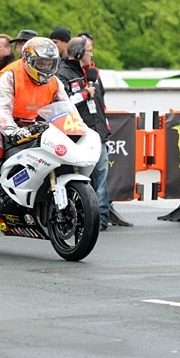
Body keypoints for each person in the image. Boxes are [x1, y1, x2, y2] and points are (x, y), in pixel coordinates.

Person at [0, 36, 68, 207]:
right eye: (40, 63)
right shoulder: (11, 75)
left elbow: (65, 107)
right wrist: (11, 130)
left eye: (49, 63)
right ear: (28, 60)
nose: (45, 67)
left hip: (31, 125)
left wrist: (73, 127)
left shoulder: (55, 82)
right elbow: (1, 109)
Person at [56, 36, 112, 230]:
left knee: (101, 175)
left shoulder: (93, 74)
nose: (92, 54)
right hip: (77, 135)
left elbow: (100, 104)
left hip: (98, 134)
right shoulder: (62, 74)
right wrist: (85, 94)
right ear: (79, 53)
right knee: (82, 178)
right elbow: (64, 104)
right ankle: (82, 216)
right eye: (89, 50)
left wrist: (104, 128)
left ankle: (102, 218)